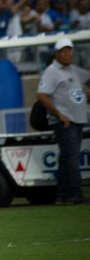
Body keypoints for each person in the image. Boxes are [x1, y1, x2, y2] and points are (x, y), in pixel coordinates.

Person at [36, 39, 89, 205]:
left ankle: (62, 194)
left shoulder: (73, 70)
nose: (67, 54)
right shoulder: (51, 71)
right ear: (56, 53)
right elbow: (42, 95)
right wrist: (59, 115)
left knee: (67, 158)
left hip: (78, 119)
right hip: (65, 121)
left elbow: (87, 77)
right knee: (72, 158)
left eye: (69, 51)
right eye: (63, 51)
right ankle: (75, 193)